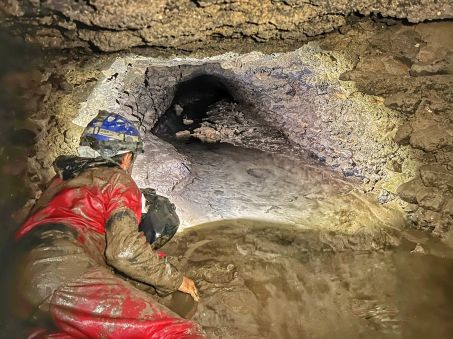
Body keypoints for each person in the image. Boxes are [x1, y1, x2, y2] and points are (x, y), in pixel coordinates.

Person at [11, 111, 205, 338]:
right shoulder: (117, 178)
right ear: (126, 158)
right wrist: (175, 279)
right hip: (58, 274)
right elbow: (124, 251)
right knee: (179, 332)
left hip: (14, 279)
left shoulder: (60, 181)